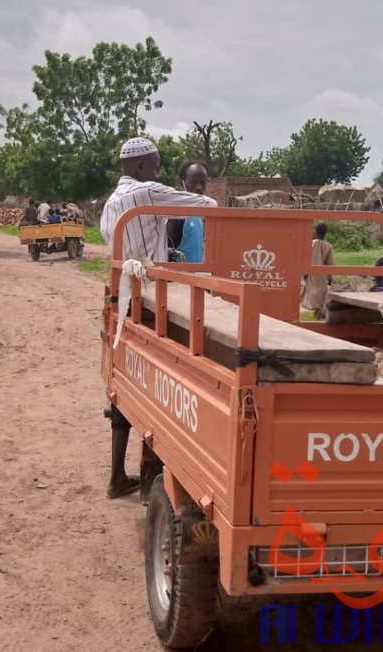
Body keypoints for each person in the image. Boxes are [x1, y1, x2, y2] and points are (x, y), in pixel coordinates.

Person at [100, 137, 217, 500]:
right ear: (139, 167)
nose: (157, 172)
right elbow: (208, 205)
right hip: (152, 297)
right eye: (154, 165)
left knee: (128, 387)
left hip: (124, 297)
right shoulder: (147, 192)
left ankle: (118, 476)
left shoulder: (111, 202)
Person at [167, 160, 208, 263]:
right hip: (178, 273)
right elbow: (167, 248)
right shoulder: (177, 214)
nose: (198, 187)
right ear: (182, 183)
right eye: (193, 182)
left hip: (197, 272)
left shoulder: (198, 214)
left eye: (202, 183)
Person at [301, 222, 334, 320]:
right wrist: (330, 278)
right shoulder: (328, 246)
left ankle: (316, 313)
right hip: (322, 275)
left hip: (311, 273)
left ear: (316, 232)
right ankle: (318, 314)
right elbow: (330, 263)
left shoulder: (311, 244)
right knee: (321, 294)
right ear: (326, 233)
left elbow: (305, 258)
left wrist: (304, 273)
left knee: (311, 292)